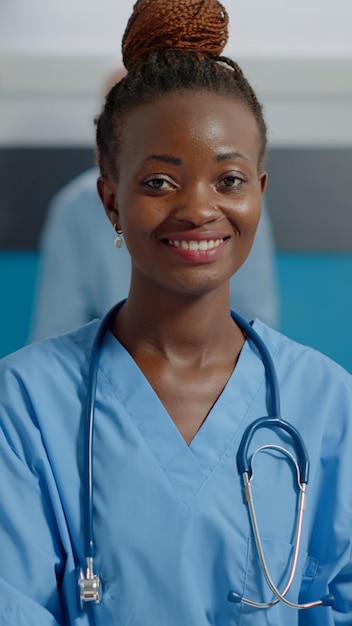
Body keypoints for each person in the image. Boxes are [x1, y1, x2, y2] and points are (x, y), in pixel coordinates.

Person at [0, 0, 351, 624]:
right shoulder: (24, 403)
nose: (197, 208)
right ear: (110, 200)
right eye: (159, 182)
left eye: (229, 180)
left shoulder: (327, 403)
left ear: (259, 196)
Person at [29, 169, 277, 343]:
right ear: (111, 202)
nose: (197, 214)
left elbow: (255, 315)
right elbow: (56, 328)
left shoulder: (308, 377)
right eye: (157, 183)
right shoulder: (75, 207)